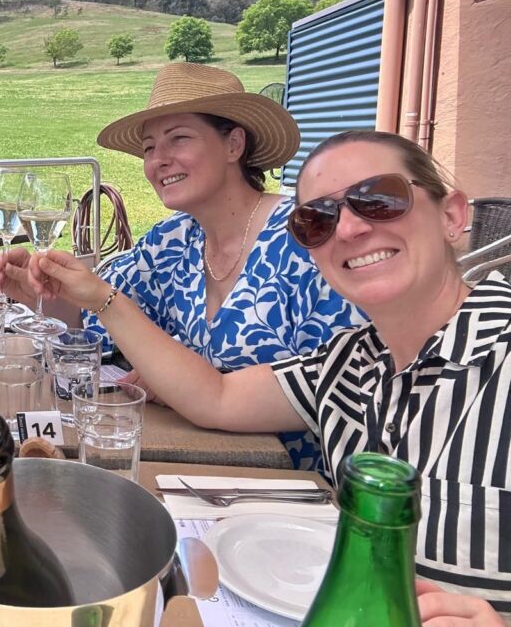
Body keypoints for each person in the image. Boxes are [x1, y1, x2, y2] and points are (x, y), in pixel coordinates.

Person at [27, 129, 510, 620]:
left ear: (452, 216)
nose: (347, 229)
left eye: (380, 200)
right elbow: (216, 396)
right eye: (318, 220)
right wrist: (101, 300)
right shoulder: (349, 363)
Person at [0, 62, 365, 470]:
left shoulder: (307, 239)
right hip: (195, 464)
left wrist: (180, 379)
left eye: (179, 139)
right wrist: (40, 291)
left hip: (294, 483)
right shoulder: (173, 239)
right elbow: (95, 317)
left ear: (234, 145)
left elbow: (339, 386)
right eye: (149, 148)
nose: (159, 160)